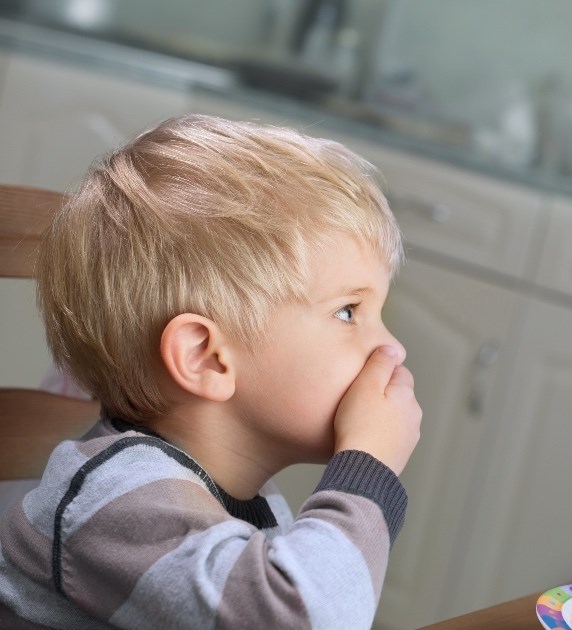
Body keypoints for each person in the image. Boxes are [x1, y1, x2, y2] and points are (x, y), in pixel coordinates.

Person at [0, 114, 422, 628]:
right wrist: (368, 466)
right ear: (205, 358)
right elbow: (300, 620)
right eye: (347, 312)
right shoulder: (120, 500)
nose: (392, 349)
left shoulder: (240, 493)